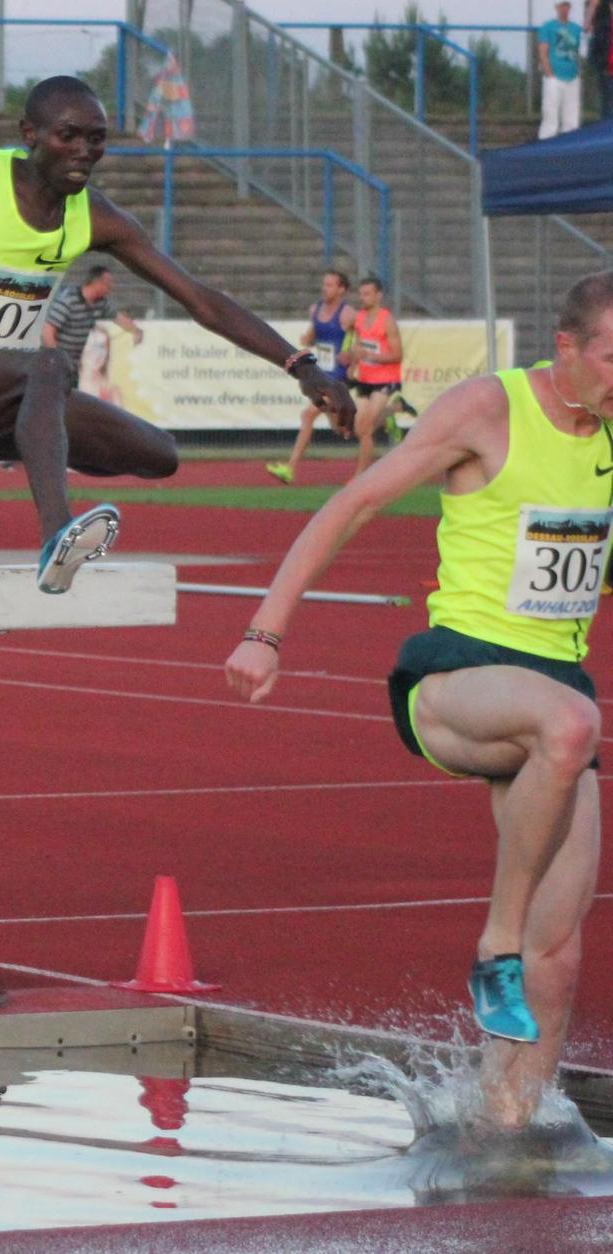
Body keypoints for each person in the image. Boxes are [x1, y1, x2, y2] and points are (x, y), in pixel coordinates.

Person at [226, 270, 613, 1129]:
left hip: (552, 690)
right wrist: (266, 630)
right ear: (566, 348)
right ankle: (494, 942)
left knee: (560, 949)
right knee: (572, 726)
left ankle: (503, 1128)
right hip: (455, 682)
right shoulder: (487, 410)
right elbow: (354, 503)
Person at [0, 75, 353, 594]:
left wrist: (300, 364)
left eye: (96, 138)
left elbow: (200, 298)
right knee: (46, 364)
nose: (84, 151)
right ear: (30, 133)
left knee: (158, 455)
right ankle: (55, 540)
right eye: (68, 135)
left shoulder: (95, 217)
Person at [267, 269, 356, 485]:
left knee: (308, 415)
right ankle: (384, 416)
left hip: (338, 378)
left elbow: (357, 340)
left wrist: (351, 355)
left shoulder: (347, 314)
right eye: (324, 284)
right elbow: (312, 335)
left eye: (330, 285)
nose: (324, 289)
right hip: (320, 376)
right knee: (340, 428)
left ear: (341, 289)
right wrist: (307, 338)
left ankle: (289, 468)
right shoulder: (315, 310)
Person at [345, 275, 403, 479]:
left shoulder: (387, 321)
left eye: (368, 294)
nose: (363, 298)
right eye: (361, 294)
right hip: (365, 379)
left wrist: (373, 356)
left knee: (367, 428)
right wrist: (353, 364)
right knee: (359, 427)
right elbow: (359, 344)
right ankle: (393, 411)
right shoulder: (360, 318)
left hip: (385, 379)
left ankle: (361, 475)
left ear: (378, 295)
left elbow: (397, 354)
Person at [39, 264, 143, 374]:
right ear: (97, 283)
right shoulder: (69, 300)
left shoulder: (101, 303)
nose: (111, 287)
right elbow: (48, 331)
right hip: (53, 364)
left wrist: (135, 330)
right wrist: (58, 358)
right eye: (108, 283)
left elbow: (118, 318)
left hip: (73, 365)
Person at [537, 0, 585, 140]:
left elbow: (580, 51)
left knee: (571, 118)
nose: (564, 9)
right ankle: (546, 146)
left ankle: (569, 147)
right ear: (556, 7)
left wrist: (578, 73)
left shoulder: (576, 29)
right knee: (550, 116)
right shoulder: (548, 27)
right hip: (554, 76)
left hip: (572, 76)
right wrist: (549, 74)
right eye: (562, 6)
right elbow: (543, 51)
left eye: (567, 6)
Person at [590, 0, 613, 121]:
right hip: (607, 72)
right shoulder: (603, 26)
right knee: (607, 106)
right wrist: (604, 67)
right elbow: (595, 50)